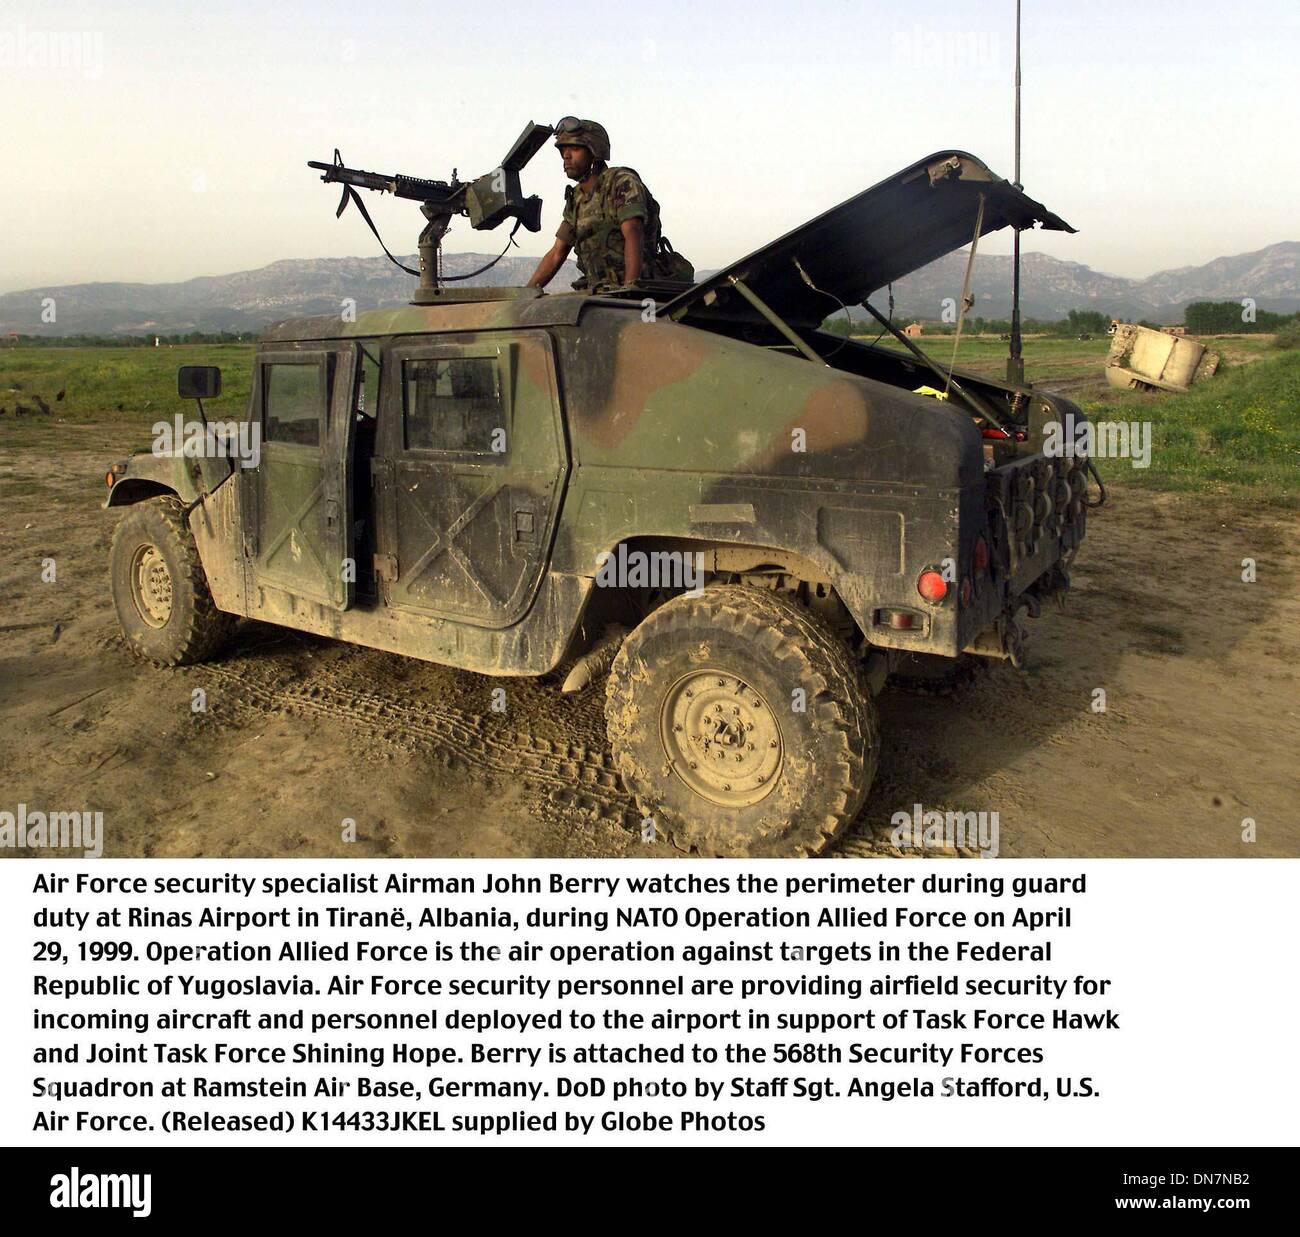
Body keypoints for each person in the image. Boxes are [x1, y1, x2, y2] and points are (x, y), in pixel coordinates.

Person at [527, 117, 692, 293]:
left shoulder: (620, 183)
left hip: (639, 291)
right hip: (600, 293)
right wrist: (525, 294)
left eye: (574, 149)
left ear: (594, 153)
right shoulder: (576, 199)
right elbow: (556, 254)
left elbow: (633, 232)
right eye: (563, 150)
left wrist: (630, 291)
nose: (566, 156)